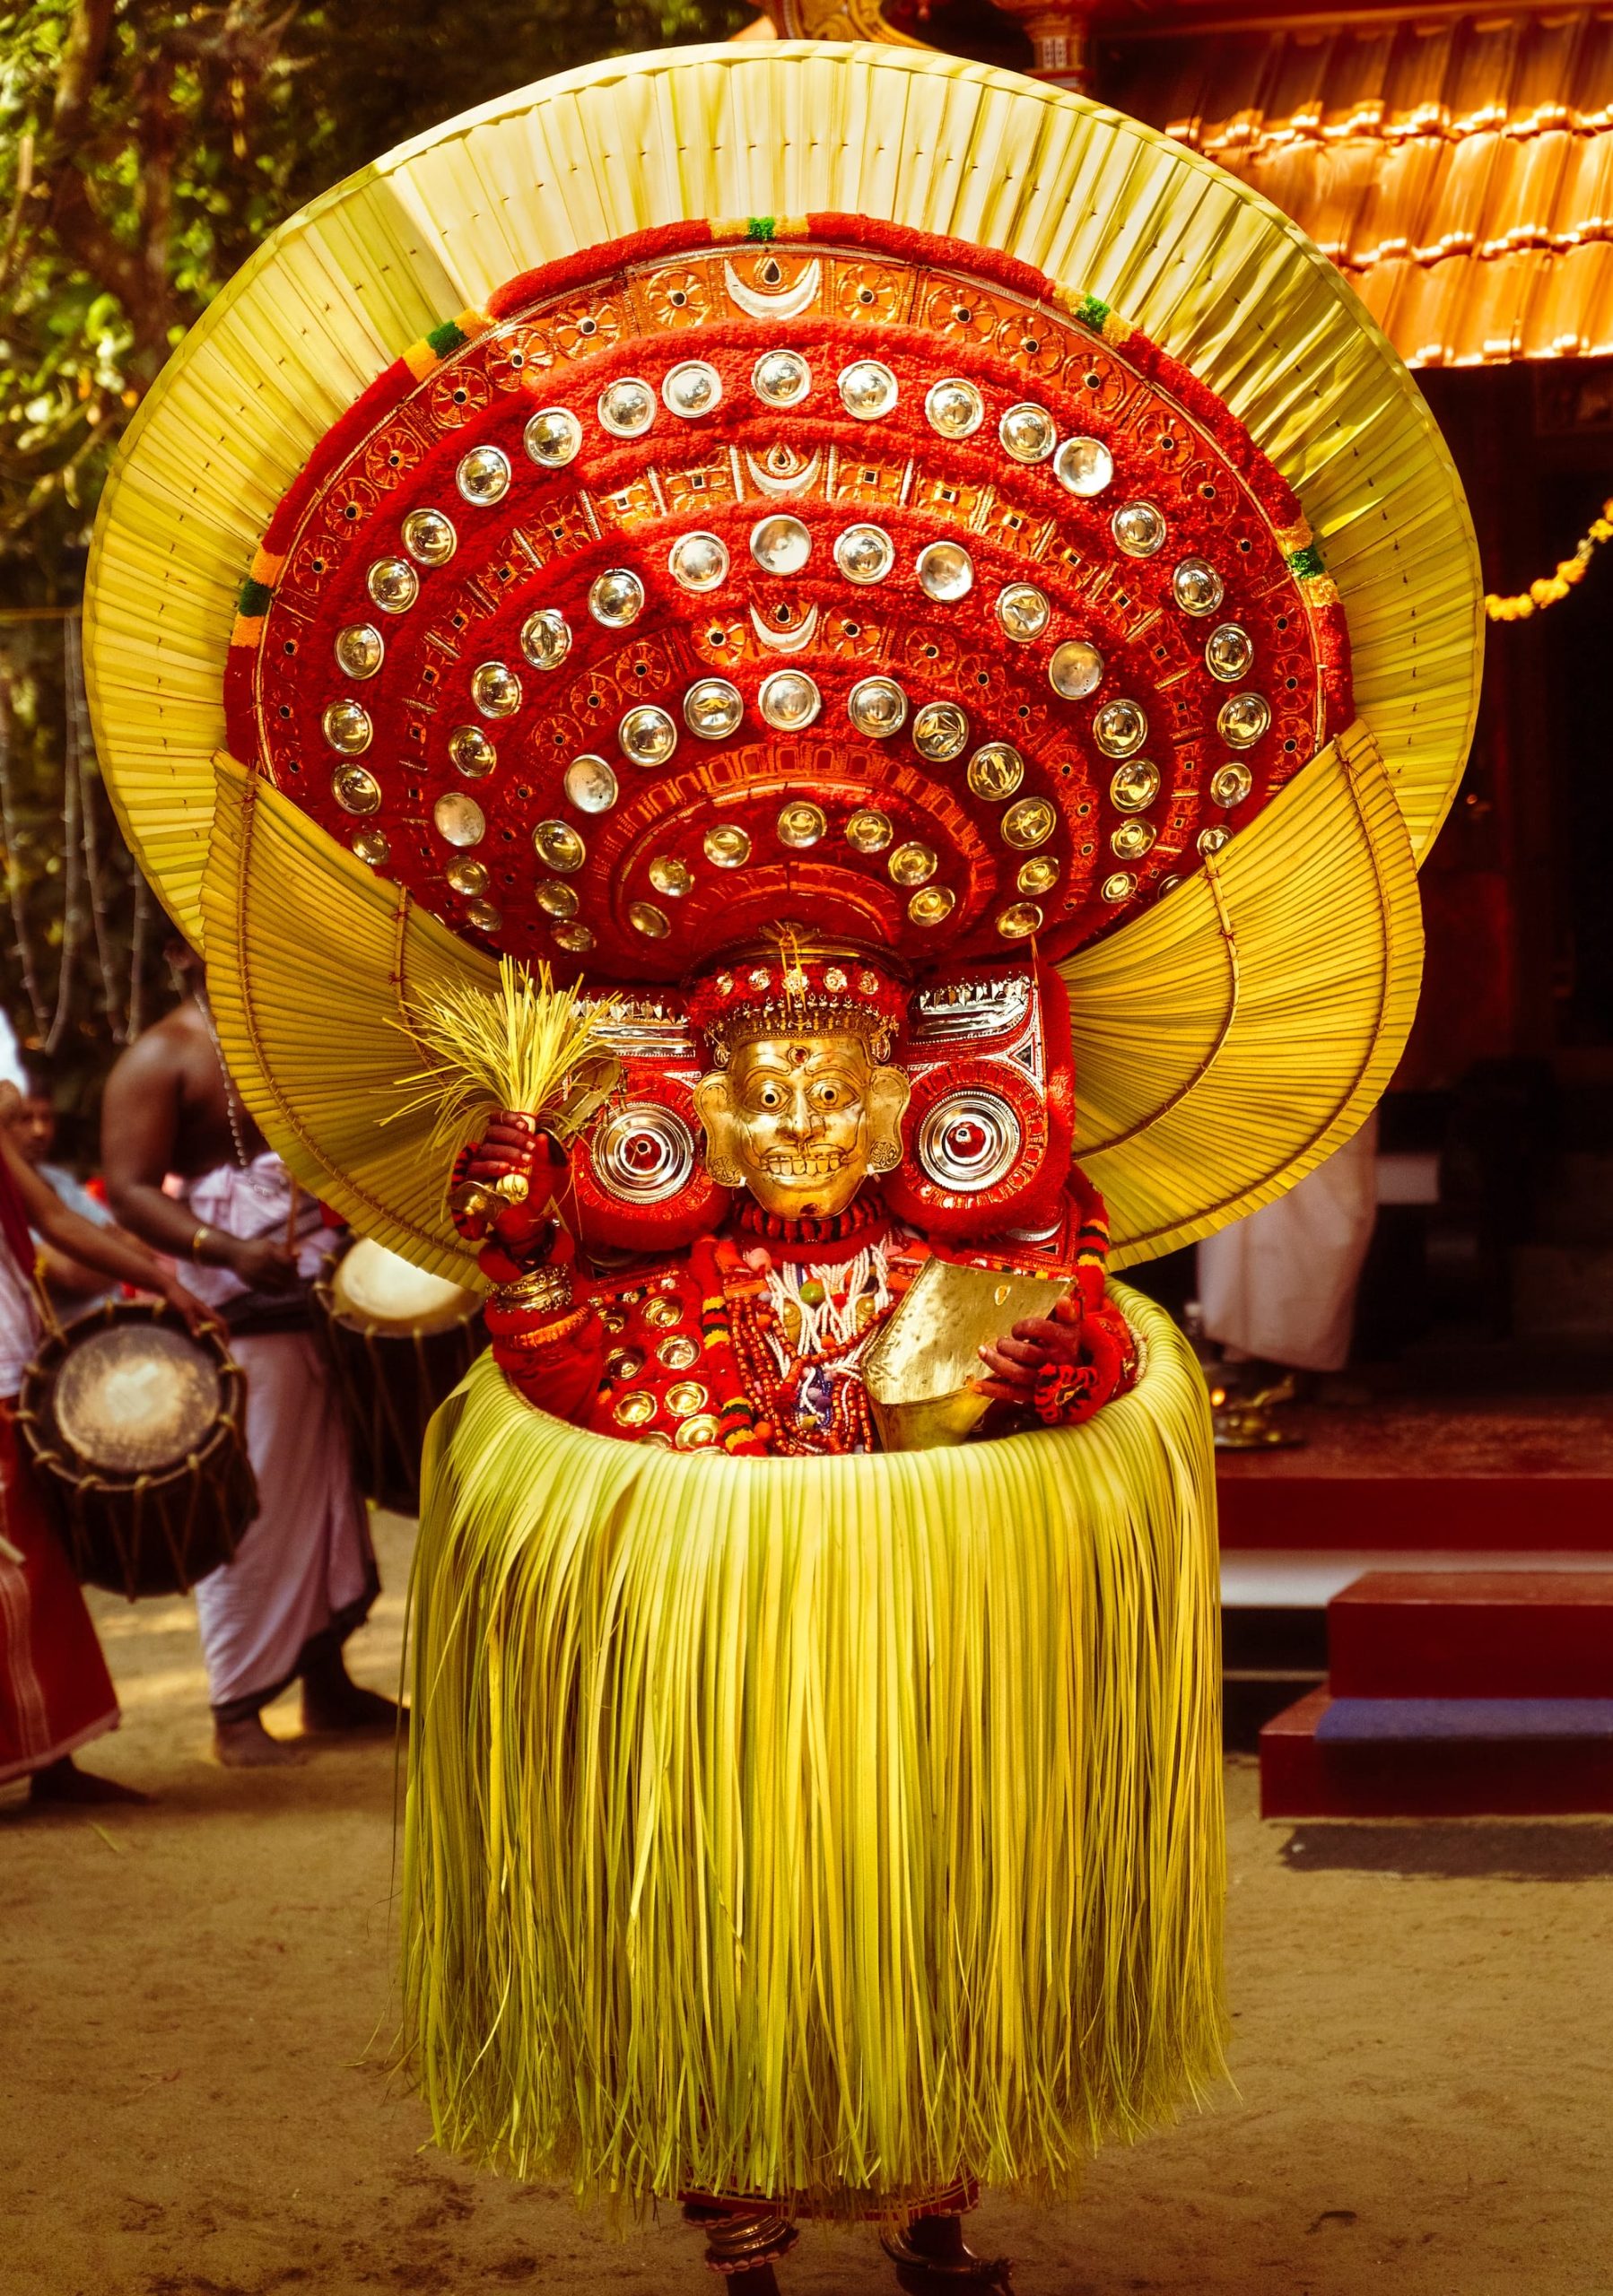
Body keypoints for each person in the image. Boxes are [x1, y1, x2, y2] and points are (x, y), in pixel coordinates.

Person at [100, 953, 393, 1768]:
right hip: (236, 1313)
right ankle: (236, 1713)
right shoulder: (163, 1056)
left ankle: (326, 1687)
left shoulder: (291, 1034)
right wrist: (225, 1248)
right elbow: (127, 1190)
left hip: (316, 1300)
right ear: (179, 956)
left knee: (329, 1494)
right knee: (254, 1502)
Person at [0, 1097, 214, 1804]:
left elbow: (57, 1220)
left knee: (41, 1572)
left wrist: (161, 1281)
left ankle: (53, 1763)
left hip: (12, 1376)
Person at [2, 1057, 117, 1311]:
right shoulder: (7, 1193)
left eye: (46, 1118)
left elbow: (127, 1239)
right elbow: (71, 1273)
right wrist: (117, 1258)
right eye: (25, 1119)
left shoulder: (59, 1179)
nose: (39, 1130)